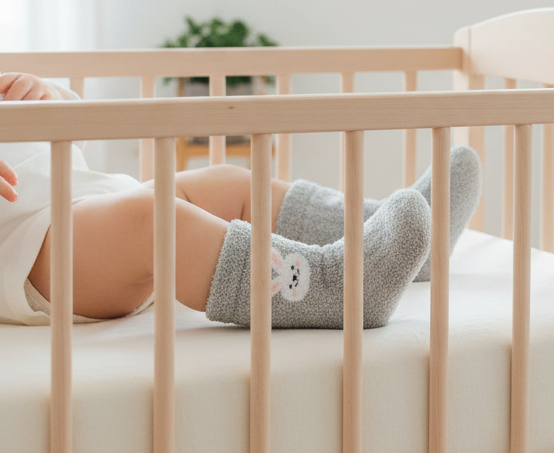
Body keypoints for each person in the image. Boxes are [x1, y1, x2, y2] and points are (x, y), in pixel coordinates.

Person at [0, 72, 482, 328]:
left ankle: (377, 231)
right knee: (155, 220)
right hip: (36, 254)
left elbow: (75, 138)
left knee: (226, 181)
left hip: (95, 204)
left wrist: (46, 96)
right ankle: (337, 284)